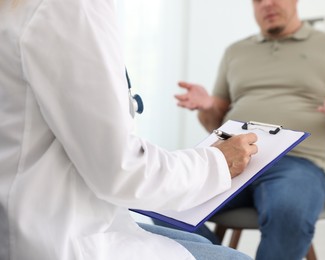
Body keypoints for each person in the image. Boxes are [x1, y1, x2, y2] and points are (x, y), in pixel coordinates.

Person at [0, 0, 260, 259]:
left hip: (40, 215)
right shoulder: (70, 7)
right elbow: (120, 169)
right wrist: (216, 162)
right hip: (53, 235)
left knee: (195, 240)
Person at [154, 0, 325, 259]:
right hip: (232, 156)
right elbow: (215, 123)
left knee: (290, 210)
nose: (267, 3)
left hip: (297, 163)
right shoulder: (235, 51)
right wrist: (208, 105)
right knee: (162, 196)